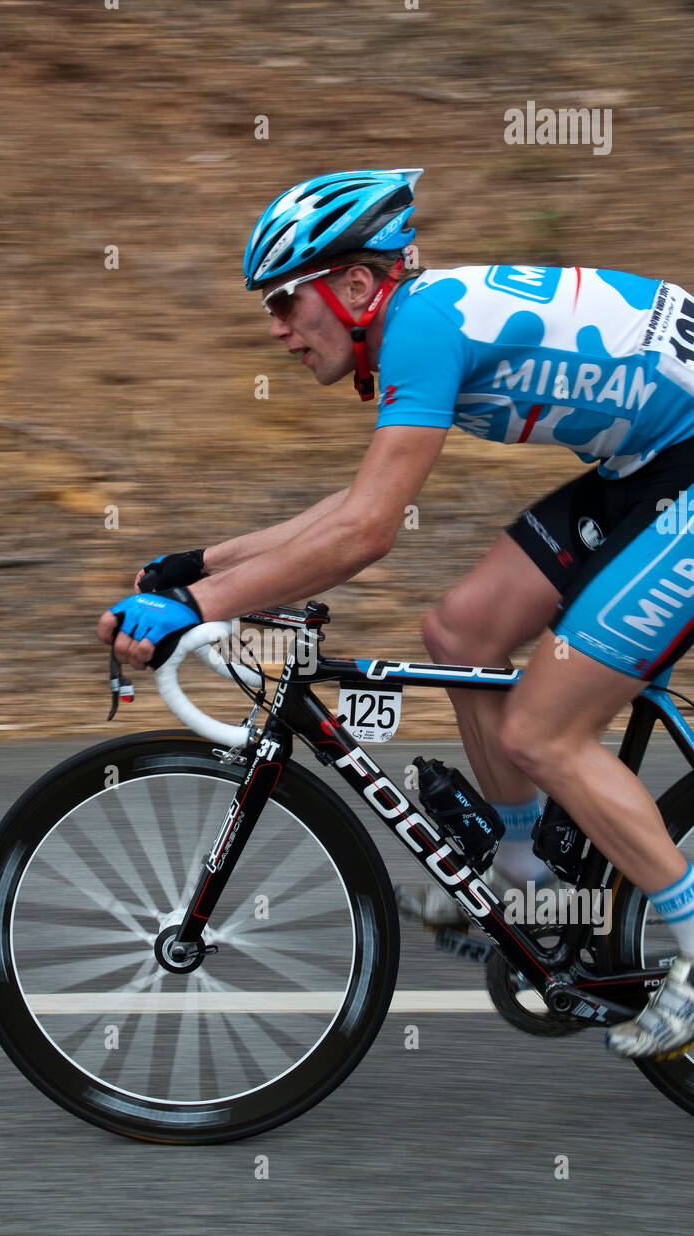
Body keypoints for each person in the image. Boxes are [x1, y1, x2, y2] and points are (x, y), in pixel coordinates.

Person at [99, 167, 694, 1061]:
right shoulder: (421, 318)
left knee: (542, 731)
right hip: (649, 466)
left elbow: (366, 533)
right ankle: (523, 874)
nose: (275, 329)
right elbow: (357, 505)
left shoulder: (420, 329)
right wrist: (205, 565)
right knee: (459, 634)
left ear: (351, 286)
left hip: (674, 471)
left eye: (285, 301)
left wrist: (192, 607)